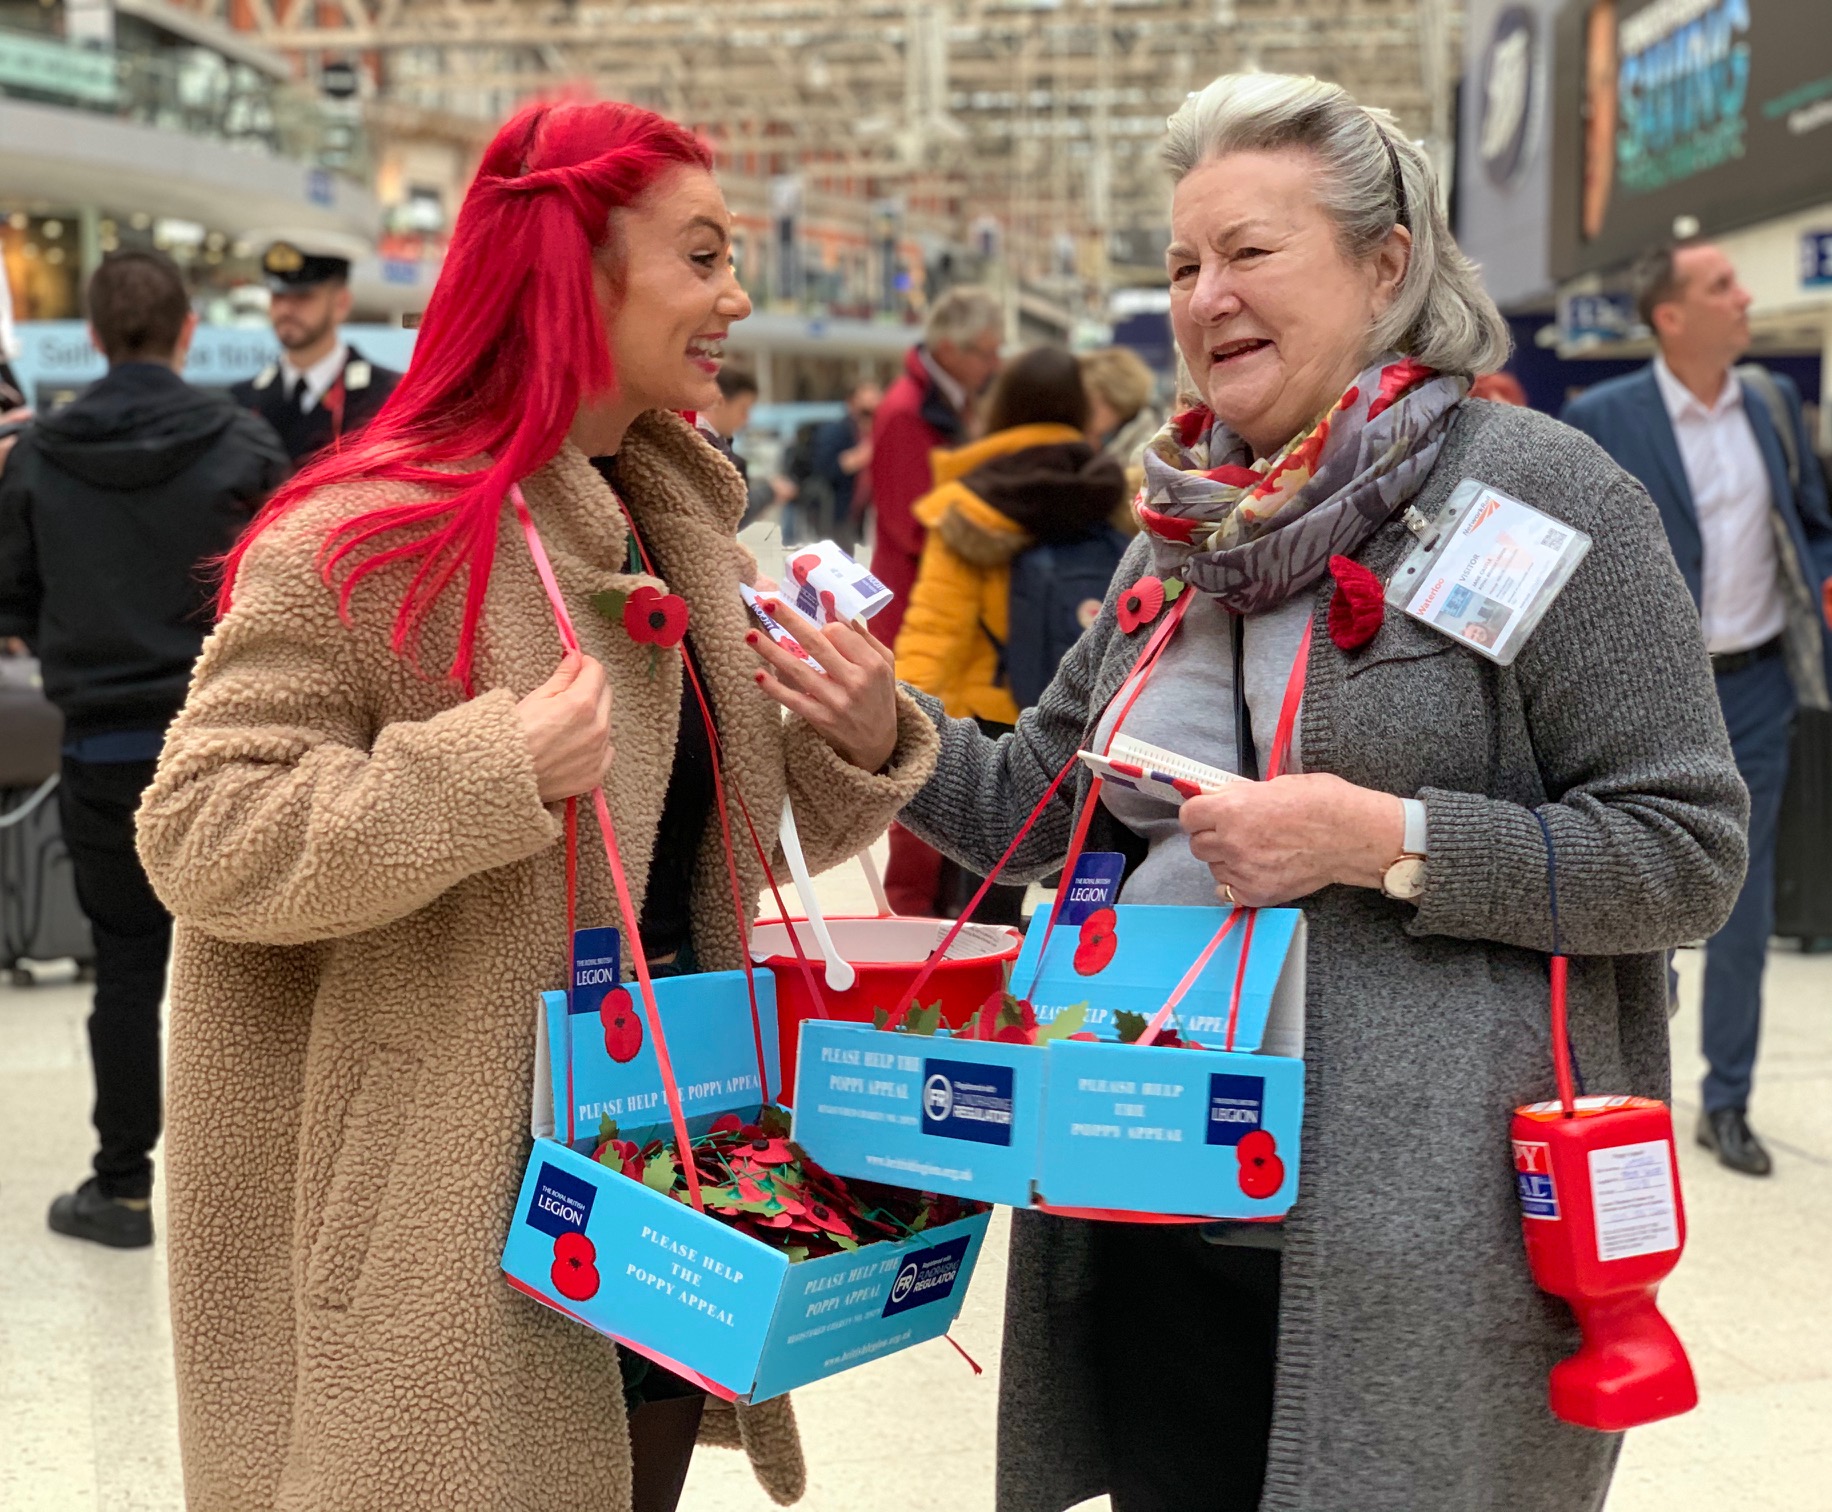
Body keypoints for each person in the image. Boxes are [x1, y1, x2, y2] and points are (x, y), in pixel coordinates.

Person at [749, 72, 1746, 1512]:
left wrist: (1383, 840)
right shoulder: (1182, 531)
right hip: (1148, 1186)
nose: (1204, 297)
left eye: (1249, 252)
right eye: (1180, 265)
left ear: (1387, 265)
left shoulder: (1539, 493)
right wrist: (879, 726)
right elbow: (1040, 805)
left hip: (1415, 1236)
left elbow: (1685, 848)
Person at [135, 100, 938, 1512]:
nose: (735, 300)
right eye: (702, 257)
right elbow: (198, 829)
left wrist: (853, 741)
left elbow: (693, 838)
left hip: (656, 1169)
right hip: (444, 1207)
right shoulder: (370, 535)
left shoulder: (677, 534)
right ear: (574, 272)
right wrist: (483, 769)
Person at [0, 248, 287, 1248]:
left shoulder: (38, 456)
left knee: (125, 970)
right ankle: (259, 1197)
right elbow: (285, 591)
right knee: (254, 968)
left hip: (103, 750)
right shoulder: (247, 445)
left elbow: (13, 603)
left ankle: (122, 1190)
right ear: (189, 333)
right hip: (231, 743)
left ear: (90, 337)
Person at [1563, 241, 1832, 1177]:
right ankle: (1625, 1088)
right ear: (1670, 316)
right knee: (1642, 897)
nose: (1746, 297)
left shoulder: (1770, 405)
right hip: (1644, 692)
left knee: (1745, 903)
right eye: (1724, 286)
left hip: (1755, 686)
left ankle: (1728, 1102)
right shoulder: (1603, 418)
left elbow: (1810, 521)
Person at [892, 346, 1128, 922]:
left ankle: (988, 979)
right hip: (1090, 719)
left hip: (994, 724)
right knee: (1094, 908)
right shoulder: (1113, 494)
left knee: (984, 908)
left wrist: (896, 726)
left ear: (1001, 407)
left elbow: (935, 631)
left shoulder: (971, 502)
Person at [867, 284, 1004, 647]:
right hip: (913, 607)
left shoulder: (954, 400)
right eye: (987, 354)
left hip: (934, 600)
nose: (996, 364)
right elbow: (911, 525)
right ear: (947, 349)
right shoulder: (906, 411)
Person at [231, 235, 402, 465]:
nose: (286, 309)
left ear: (341, 303)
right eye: (277, 295)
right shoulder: (240, 401)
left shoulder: (387, 398)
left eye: (303, 296)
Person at [1079, 345, 1164, 498]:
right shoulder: (1110, 443)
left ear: (1115, 397)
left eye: (1089, 401)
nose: (1082, 410)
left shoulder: (1144, 455)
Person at [804, 378, 880, 549]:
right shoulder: (837, 431)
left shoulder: (874, 433)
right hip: (836, 512)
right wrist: (855, 459)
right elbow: (822, 467)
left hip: (862, 514)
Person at [698, 362, 758, 481]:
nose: (746, 419)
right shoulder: (706, 454)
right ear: (719, 401)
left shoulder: (717, 446)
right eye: (743, 409)